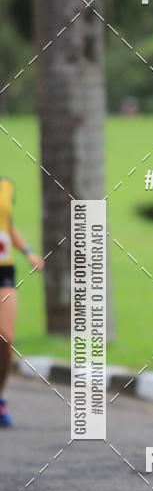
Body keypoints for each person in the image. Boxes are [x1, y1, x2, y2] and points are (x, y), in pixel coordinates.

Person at [0, 177, 44, 427]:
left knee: (6, 338)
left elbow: (8, 226)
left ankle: (0, 397)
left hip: (4, 272)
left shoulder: (6, 186)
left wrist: (28, 252)